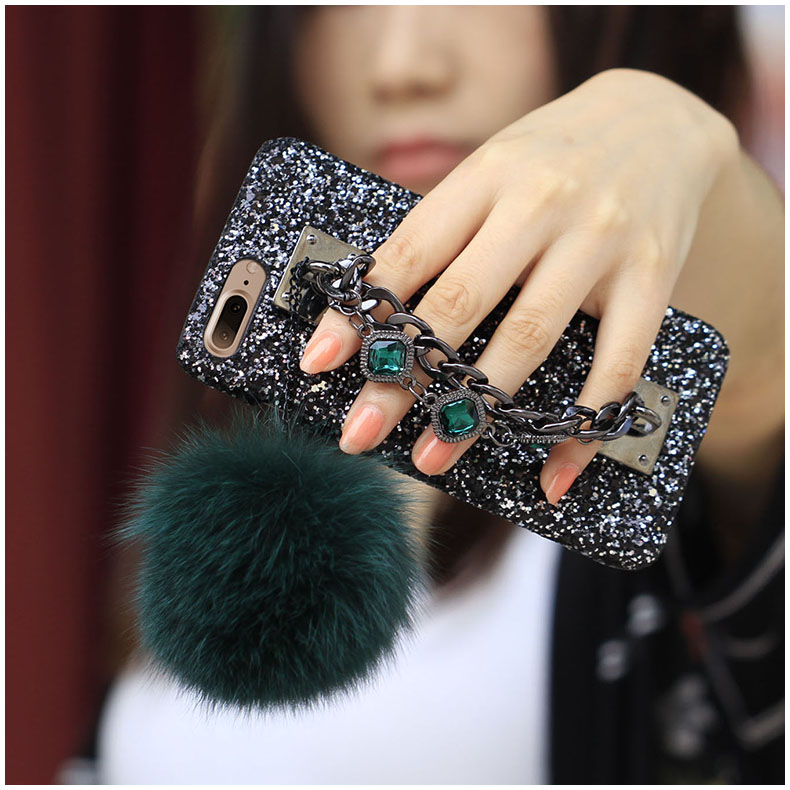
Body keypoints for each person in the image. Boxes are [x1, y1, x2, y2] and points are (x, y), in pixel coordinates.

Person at [95, 6, 784, 784]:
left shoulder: (668, 435)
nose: (403, 66)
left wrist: (678, 141)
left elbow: (761, 376)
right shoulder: (215, 438)